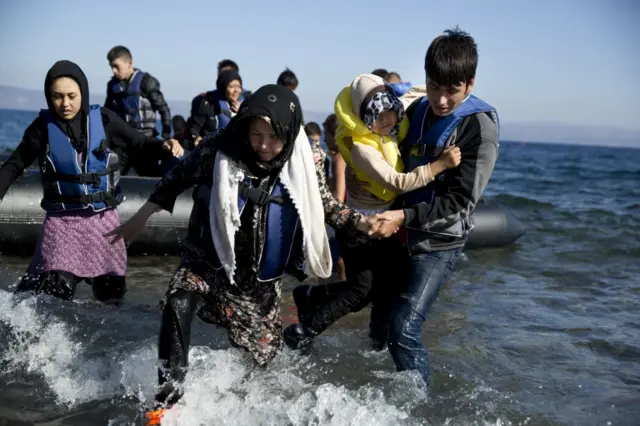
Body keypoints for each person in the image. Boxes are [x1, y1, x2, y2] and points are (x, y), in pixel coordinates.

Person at [105, 85, 388, 423]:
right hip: (209, 260)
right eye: (256, 135)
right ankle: (167, 401)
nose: (264, 145)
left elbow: (326, 206)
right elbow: (176, 178)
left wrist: (362, 223)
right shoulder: (219, 147)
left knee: (264, 369)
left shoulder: (306, 158)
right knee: (179, 300)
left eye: (273, 137)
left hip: (256, 286)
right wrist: (142, 216)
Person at [283, 73, 461, 350]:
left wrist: (438, 90)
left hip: (382, 224)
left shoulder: (387, 129)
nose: (387, 120)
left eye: (390, 112)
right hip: (358, 227)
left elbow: (410, 94)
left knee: (381, 288)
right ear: (363, 118)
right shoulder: (361, 147)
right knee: (359, 291)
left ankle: (316, 301)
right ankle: (302, 331)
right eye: (377, 116)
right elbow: (397, 182)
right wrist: (439, 166)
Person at [0, 60, 183, 302]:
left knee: (111, 297)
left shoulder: (104, 119)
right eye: (57, 96)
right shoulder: (41, 129)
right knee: (54, 294)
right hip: (62, 223)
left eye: (71, 96)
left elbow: (139, 143)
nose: (65, 103)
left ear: (82, 93)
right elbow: (14, 165)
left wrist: (165, 145)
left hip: (104, 223)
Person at [378, 27, 500, 387]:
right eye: (434, 87)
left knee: (403, 330)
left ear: (470, 85)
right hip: (400, 232)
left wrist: (403, 216)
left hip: (439, 243)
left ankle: (420, 409)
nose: (441, 100)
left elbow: (461, 201)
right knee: (380, 323)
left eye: (452, 91)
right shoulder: (417, 109)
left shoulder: (478, 129)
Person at [104, 46, 177, 177]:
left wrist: (166, 136)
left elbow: (164, 110)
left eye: (116, 66)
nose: (114, 71)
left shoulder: (146, 82)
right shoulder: (112, 86)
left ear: (129, 63)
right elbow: (107, 115)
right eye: (111, 67)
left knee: (152, 178)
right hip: (122, 145)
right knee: (110, 179)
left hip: (144, 142)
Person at [188, 69, 245, 146]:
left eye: (238, 86)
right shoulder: (208, 103)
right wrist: (196, 138)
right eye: (231, 86)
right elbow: (195, 127)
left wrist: (242, 113)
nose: (236, 90)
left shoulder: (245, 105)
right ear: (223, 87)